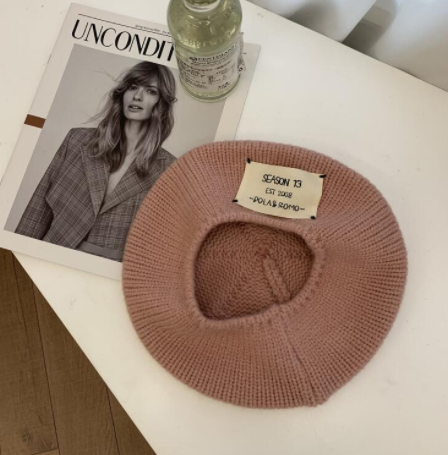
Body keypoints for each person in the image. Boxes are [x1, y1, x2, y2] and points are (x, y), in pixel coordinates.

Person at [15, 61, 177, 261]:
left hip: (107, 269)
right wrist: (16, 253)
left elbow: (159, 245)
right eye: (133, 87)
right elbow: (39, 206)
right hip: (49, 252)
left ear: (162, 102)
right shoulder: (77, 140)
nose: (137, 96)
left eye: (151, 91)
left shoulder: (170, 169)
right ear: (123, 93)